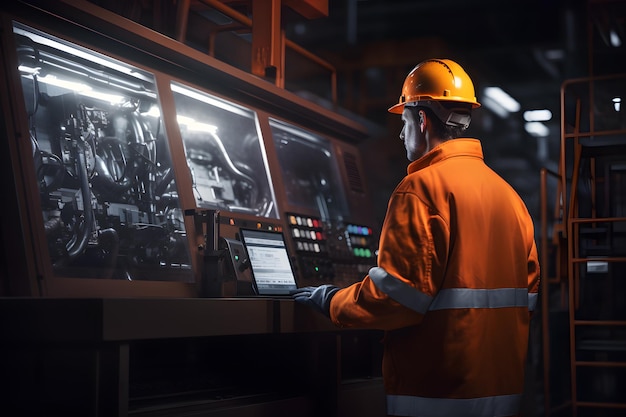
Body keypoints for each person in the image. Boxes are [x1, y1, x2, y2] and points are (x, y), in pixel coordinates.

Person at [291, 58, 541, 417]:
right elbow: (527, 297)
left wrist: (332, 301)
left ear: (421, 121)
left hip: (436, 397)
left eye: (404, 121)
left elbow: (397, 298)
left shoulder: (420, 190)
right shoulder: (510, 198)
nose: (400, 133)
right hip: (501, 397)